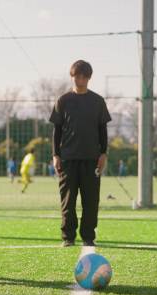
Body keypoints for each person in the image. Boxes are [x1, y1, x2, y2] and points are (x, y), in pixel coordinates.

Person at [50, 60, 111, 247]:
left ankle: (88, 237)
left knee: (91, 201)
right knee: (67, 201)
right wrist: (56, 155)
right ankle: (68, 237)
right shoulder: (63, 101)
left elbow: (103, 130)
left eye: (84, 76)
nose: (80, 79)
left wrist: (103, 153)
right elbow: (57, 131)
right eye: (77, 76)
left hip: (92, 159)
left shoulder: (98, 101)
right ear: (72, 76)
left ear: (89, 78)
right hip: (68, 159)